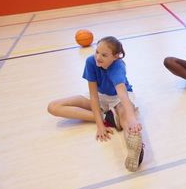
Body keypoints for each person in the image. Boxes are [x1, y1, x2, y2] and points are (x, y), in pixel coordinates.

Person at [47, 36, 144, 172]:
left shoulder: (118, 66)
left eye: (104, 55)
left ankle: (135, 146)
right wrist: (100, 124)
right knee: (53, 106)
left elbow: (122, 94)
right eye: (97, 52)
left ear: (116, 56)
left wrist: (132, 119)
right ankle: (108, 118)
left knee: (126, 120)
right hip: (100, 96)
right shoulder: (91, 62)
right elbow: (93, 96)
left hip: (118, 98)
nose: (98, 57)